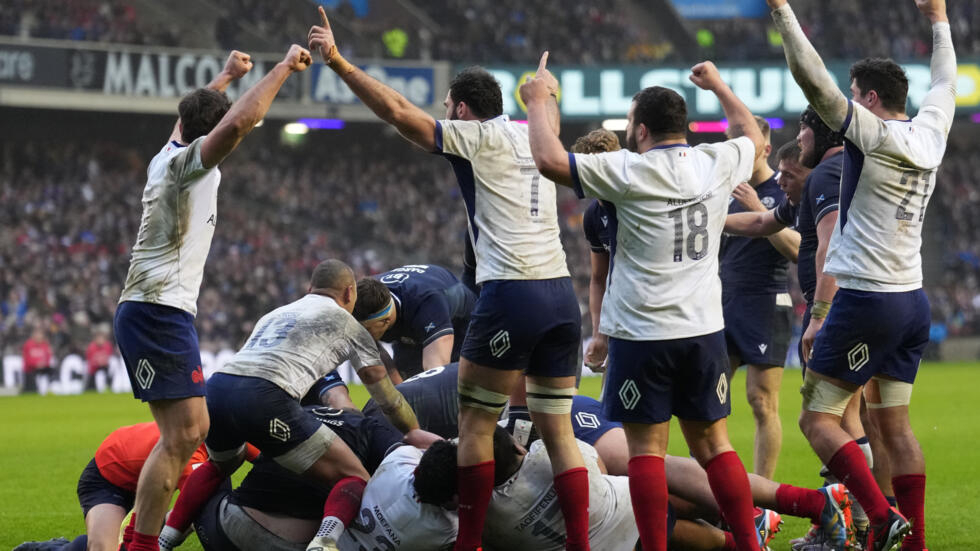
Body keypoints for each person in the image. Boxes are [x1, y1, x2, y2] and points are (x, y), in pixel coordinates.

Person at [309, 13, 590, 550]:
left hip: (511, 292)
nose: (443, 114)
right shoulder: (538, 134)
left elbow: (396, 112)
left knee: (477, 427)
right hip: (561, 294)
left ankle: (470, 544)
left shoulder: (476, 137)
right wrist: (544, 93)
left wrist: (339, 61)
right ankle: (579, 545)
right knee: (557, 432)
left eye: (447, 107)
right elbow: (545, 120)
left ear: (461, 109)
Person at [522, 57, 767, 551]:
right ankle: (749, 544)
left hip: (642, 336)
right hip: (702, 331)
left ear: (640, 130)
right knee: (716, 447)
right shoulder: (716, 161)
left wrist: (538, 100)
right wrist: (719, 84)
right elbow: (752, 136)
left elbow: (549, 161)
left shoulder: (626, 170)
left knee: (646, 455)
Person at [765, 0, 956, 549]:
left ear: (870, 100)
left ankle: (879, 515)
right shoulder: (931, 131)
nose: (846, 101)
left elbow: (812, 79)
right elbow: (944, 79)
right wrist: (938, 18)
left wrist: (781, 12)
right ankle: (912, 542)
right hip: (912, 300)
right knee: (895, 427)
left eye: (854, 94)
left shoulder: (872, 134)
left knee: (817, 418)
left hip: (867, 299)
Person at [111, 45, 311, 551]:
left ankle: (142, 536)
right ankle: (140, 544)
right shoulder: (187, 167)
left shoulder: (166, 155)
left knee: (193, 430)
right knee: (182, 437)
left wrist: (224, 76)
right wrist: (282, 69)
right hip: (157, 310)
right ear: (209, 133)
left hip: (159, 309)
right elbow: (239, 124)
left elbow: (194, 115)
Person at [159, 260, 439, 551]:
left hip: (218, 389)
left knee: (220, 465)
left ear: (310, 288)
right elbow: (384, 393)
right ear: (348, 293)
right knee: (353, 475)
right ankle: (324, 543)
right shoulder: (347, 323)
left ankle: (167, 537)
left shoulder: (274, 313)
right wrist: (412, 429)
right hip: (265, 396)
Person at [725, 111, 878, 548]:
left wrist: (819, 313)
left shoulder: (812, 180)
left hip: (803, 307)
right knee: (850, 417)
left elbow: (807, 246)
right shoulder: (730, 188)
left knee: (823, 416)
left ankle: (862, 516)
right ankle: (857, 515)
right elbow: (764, 224)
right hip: (733, 304)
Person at [189, 406, 419, 551]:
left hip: (225, 534)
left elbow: (245, 446)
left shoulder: (301, 413)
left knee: (218, 467)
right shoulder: (369, 440)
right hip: (291, 545)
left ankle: (171, 531)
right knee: (355, 491)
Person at [11, 423, 256, 551]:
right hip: (107, 479)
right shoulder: (192, 452)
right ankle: (56, 548)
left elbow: (268, 455)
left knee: (196, 509)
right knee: (105, 550)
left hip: (148, 482)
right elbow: (193, 510)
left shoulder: (226, 432)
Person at [719, 116, 799, 480]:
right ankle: (712, 492)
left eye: (745, 146)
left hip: (765, 301)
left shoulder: (783, 190)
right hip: (721, 302)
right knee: (706, 400)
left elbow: (799, 250)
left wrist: (758, 210)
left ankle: (763, 499)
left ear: (764, 148)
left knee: (761, 401)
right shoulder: (721, 189)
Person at [352, 264, 476, 379]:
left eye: (367, 329)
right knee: (407, 386)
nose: (363, 335)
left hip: (461, 326)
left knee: (455, 386)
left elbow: (436, 373)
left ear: (386, 321)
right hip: (409, 325)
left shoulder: (427, 305)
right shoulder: (363, 296)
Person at [574, 129, 622, 374]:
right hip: (621, 319)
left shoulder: (636, 202)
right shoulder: (593, 215)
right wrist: (599, 335)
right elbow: (598, 278)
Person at [21, 325, 53, 394]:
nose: (39, 336)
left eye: (41, 334)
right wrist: (36, 364)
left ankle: (46, 390)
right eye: (38, 334)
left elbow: (48, 357)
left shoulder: (45, 345)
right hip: (31, 370)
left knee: (48, 371)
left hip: (42, 369)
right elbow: (27, 359)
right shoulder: (28, 345)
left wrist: (44, 364)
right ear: (34, 335)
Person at [85, 325, 114, 393]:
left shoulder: (107, 346)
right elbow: (90, 361)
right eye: (99, 338)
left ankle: (110, 385)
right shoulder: (91, 347)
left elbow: (110, 358)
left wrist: (104, 362)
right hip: (94, 370)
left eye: (102, 338)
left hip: (105, 368)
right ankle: (100, 389)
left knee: (113, 363)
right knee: (99, 375)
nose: (101, 340)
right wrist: (100, 363)